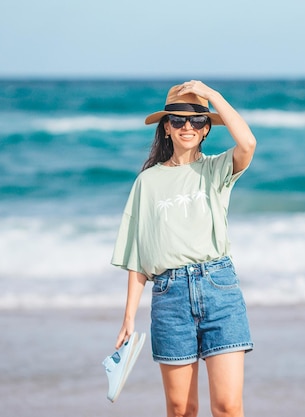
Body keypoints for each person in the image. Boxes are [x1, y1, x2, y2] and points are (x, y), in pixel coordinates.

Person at [111, 80, 256, 417]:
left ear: (206, 129)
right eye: (177, 120)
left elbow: (248, 142)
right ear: (166, 129)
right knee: (180, 409)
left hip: (219, 290)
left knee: (228, 407)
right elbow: (139, 257)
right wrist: (128, 317)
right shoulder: (147, 182)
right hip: (169, 297)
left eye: (197, 120)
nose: (187, 126)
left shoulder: (216, 169)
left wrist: (215, 96)